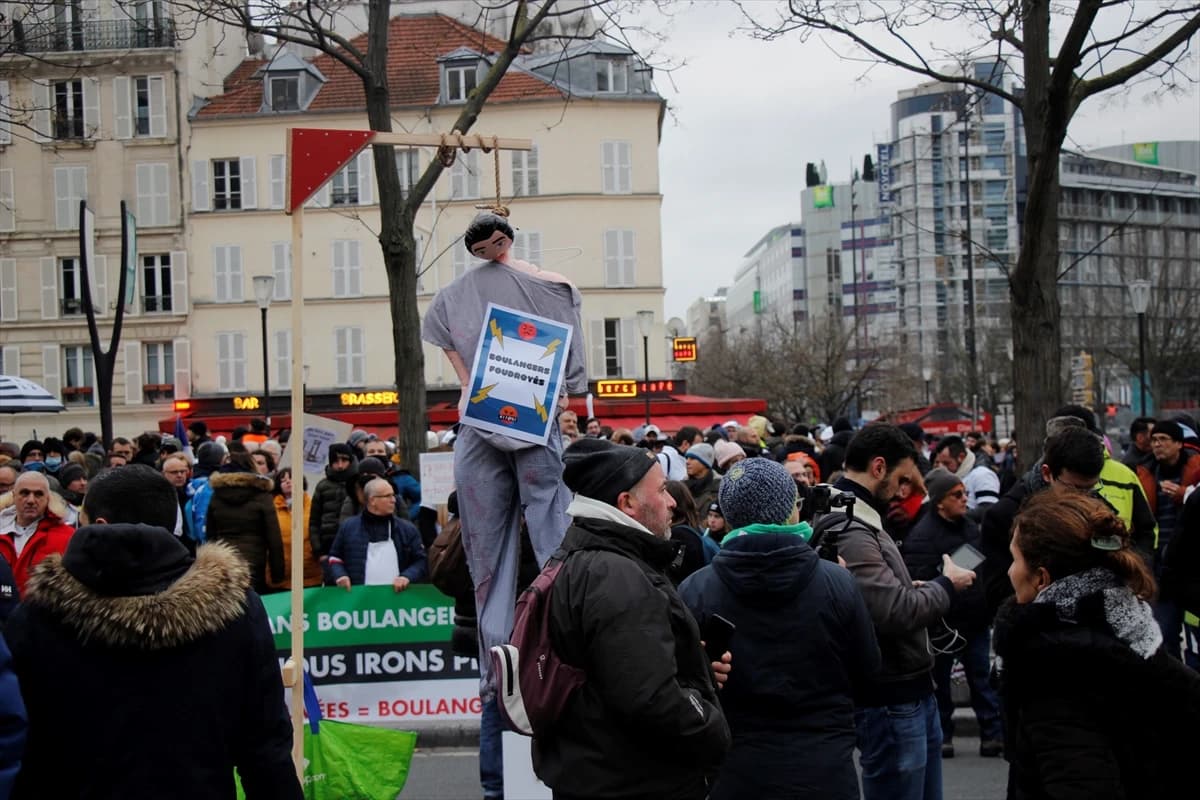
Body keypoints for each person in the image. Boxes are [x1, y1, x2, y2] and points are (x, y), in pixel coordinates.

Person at [4, 464, 302, 800]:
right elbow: (264, 746)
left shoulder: (38, 615)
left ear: (99, 525)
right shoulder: (234, 607)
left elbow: (18, 742)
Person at [423, 209, 587, 800]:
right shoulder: (555, 290)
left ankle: (505, 662)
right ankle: (557, 627)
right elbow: (571, 361)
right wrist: (570, 395)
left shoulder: (451, 300)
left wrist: (477, 400)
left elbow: (462, 372)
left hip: (484, 417)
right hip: (532, 414)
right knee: (550, 528)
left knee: (488, 550)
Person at [532, 438, 731, 799]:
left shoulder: (587, 557)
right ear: (627, 503)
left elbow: (616, 671)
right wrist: (711, 725)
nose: (672, 502)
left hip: (604, 774)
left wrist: (693, 663)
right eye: (662, 491)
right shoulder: (616, 574)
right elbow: (649, 698)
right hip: (635, 780)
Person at [679, 458, 879, 800]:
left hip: (735, 768)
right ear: (789, 510)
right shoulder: (836, 582)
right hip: (824, 765)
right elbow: (868, 674)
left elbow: (684, 687)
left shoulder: (695, 589)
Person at [994, 488, 1200, 799]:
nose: (1009, 571)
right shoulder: (1132, 629)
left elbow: (1079, 781)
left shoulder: (1050, 664)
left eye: (1015, 559)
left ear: (1042, 578)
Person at [826, 424, 976, 800]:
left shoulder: (860, 517)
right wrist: (947, 585)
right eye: (902, 478)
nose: (904, 490)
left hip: (906, 690)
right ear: (878, 467)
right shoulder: (852, 526)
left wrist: (915, 588)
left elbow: (884, 597)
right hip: (892, 697)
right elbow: (891, 611)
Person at [900, 468, 1003, 758]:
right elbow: (921, 579)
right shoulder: (922, 535)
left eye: (965, 493)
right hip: (943, 624)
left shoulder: (970, 526)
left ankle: (992, 735)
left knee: (982, 679)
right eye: (957, 495)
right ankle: (943, 736)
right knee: (941, 683)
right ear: (940, 502)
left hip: (975, 620)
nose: (964, 499)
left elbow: (978, 566)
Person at [205, 453, 285, 595]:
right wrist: (277, 574)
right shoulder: (262, 495)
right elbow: (274, 537)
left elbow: (210, 535)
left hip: (224, 559)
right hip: (254, 560)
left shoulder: (216, 496)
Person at [328, 478, 427, 590]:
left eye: (393, 495)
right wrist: (340, 575)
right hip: (359, 601)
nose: (393, 500)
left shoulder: (407, 529)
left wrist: (407, 577)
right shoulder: (348, 527)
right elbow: (335, 558)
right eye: (387, 496)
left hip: (398, 601)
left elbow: (421, 561)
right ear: (372, 500)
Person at [0, 472, 75, 593]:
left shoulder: (67, 537)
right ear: (13, 496)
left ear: (48, 498)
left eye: (38, 494)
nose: (31, 500)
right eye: (24, 493)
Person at [310, 443, 359, 580]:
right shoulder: (322, 486)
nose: (340, 465)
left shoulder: (358, 483)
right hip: (328, 548)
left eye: (344, 460)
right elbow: (314, 521)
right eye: (336, 461)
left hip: (354, 546)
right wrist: (319, 551)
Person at [271, 467, 323, 590]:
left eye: (292, 478)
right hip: (282, 575)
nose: (288, 482)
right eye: (283, 480)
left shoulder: (313, 506)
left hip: (310, 573)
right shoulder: (271, 508)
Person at [933, 435, 1000, 515]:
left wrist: (951, 516)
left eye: (946, 463)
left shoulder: (982, 474)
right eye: (939, 462)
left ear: (961, 457)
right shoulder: (954, 476)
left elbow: (988, 510)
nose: (942, 468)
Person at [683, 442, 720, 512]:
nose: (687, 462)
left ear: (705, 463)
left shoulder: (719, 486)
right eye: (687, 458)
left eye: (692, 458)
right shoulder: (682, 486)